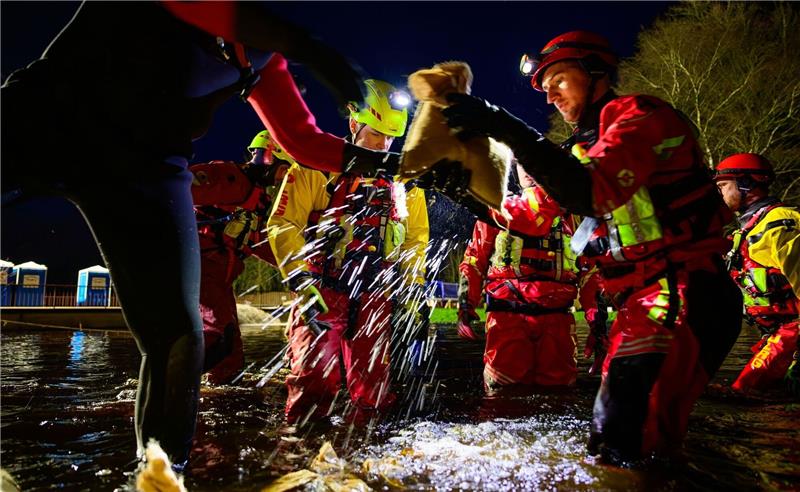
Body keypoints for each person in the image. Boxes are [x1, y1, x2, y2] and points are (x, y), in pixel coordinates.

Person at [1, 2, 399, 469]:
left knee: (177, 337)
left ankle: (160, 474)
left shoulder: (266, 57)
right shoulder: (253, 28)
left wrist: (395, 165)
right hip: (51, 117)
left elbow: (302, 139)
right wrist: (303, 43)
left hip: (150, 168)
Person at [437, 30, 742, 465]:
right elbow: (528, 217)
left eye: (558, 79)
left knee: (637, 435)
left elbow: (592, 193)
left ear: (596, 72)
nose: (549, 96)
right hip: (646, 299)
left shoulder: (638, 115)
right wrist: (456, 189)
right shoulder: (583, 149)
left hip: (684, 292)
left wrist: (504, 125)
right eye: (544, 88)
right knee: (615, 438)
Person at [269, 79, 430, 425]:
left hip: (376, 297)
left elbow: (416, 238)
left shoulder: (403, 181)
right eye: (375, 134)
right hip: (321, 291)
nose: (383, 145)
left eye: (390, 137)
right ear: (354, 123)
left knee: (373, 391)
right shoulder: (314, 166)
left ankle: (367, 457)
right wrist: (301, 281)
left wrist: (413, 289)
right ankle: (299, 455)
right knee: (312, 383)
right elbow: (282, 224)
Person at [457, 163, 579, 391]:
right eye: (523, 164)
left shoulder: (571, 216)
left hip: (558, 319)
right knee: (503, 391)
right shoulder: (497, 210)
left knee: (559, 393)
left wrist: (596, 317)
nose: (529, 170)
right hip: (508, 319)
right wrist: (466, 305)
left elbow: (591, 267)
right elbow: (474, 259)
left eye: (534, 162)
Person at [192, 130, 296, 385]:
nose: (284, 179)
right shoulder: (227, 177)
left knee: (231, 345)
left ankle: (222, 390)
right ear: (273, 158)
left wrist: (296, 269)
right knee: (219, 334)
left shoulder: (257, 198)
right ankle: (177, 384)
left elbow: (259, 242)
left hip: (220, 278)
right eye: (285, 170)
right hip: (201, 270)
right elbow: (176, 191)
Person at [714, 153, 800, 395]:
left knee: (744, 393)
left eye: (723, 186)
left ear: (747, 184)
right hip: (776, 335)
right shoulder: (745, 232)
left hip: (794, 335)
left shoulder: (781, 224)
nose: (718, 194)